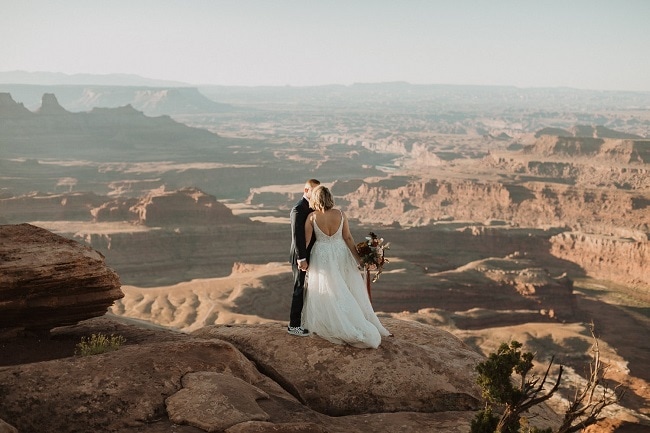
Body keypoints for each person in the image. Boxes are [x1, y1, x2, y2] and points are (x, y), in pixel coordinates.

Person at [302, 185, 391, 348]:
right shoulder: (340, 214)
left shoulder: (312, 218)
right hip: (340, 252)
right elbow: (348, 238)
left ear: (315, 199)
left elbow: (306, 243)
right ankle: (355, 319)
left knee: (329, 288)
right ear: (330, 198)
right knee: (345, 285)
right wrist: (359, 259)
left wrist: (302, 260)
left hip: (321, 254)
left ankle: (333, 320)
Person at [287, 178, 321, 336]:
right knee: (299, 289)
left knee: (310, 289)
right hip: (301, 257)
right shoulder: (298, 209)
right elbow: (297, 236)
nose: (316, 194)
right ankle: (293, 326)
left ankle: (305, 321)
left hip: (311, 254)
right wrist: (302, 259)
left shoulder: (313, 207)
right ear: (306, 190)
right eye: (314, 191)